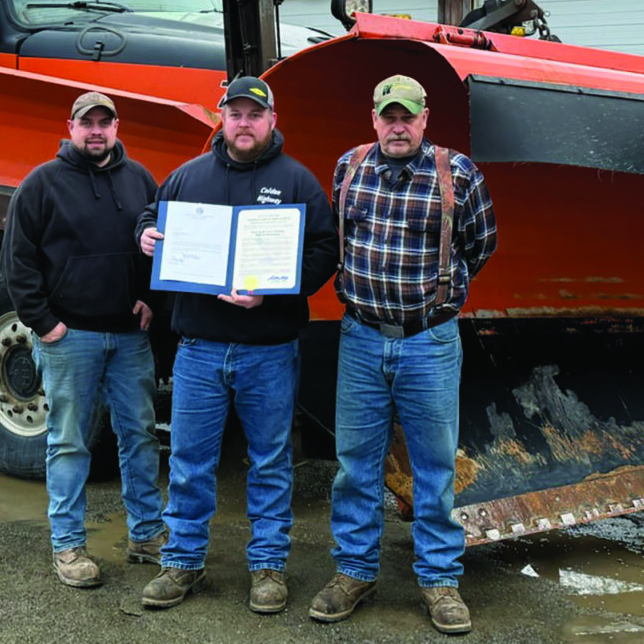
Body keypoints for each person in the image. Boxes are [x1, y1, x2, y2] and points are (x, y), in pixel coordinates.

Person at [135, 76, 339, 616]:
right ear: (221, 119)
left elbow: (324, 251)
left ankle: (268, 566)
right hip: (199, 349)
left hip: (268, 350)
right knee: (188, 461)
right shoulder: (188, 176)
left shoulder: (297, 182)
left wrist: (276, 290)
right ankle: (182, 561)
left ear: (272, 121)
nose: (244, 123)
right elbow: (153, 216)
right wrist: (146, 234)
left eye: (254, 114)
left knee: (270, 461)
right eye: (235, 114)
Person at [309, 74, 498, 636]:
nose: (397, 126)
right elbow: (338, 237)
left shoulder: (458, 174)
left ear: (424, 119)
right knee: (354, 465)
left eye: (407, 116)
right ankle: (354, 571)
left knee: (434, 466)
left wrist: (434, 297)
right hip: (361, 337)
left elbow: (480, 244)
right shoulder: (348, 168)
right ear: (374, 119)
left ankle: (439, 579)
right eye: (388, 116)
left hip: (428, 341)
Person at [1, 90, 165, 589]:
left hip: (129, 336)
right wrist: (44, 323)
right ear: (70, 127)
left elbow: (159, 245)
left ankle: (146, 534)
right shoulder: (41, 185)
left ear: (116, 127)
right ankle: (68, 545)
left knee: (140, 435)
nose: (96, 131)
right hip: (70, 338)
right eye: (87, 122)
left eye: (104, 122)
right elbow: (17, 260)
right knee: (69, 442)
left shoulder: (140, 180)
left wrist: (149, 297)